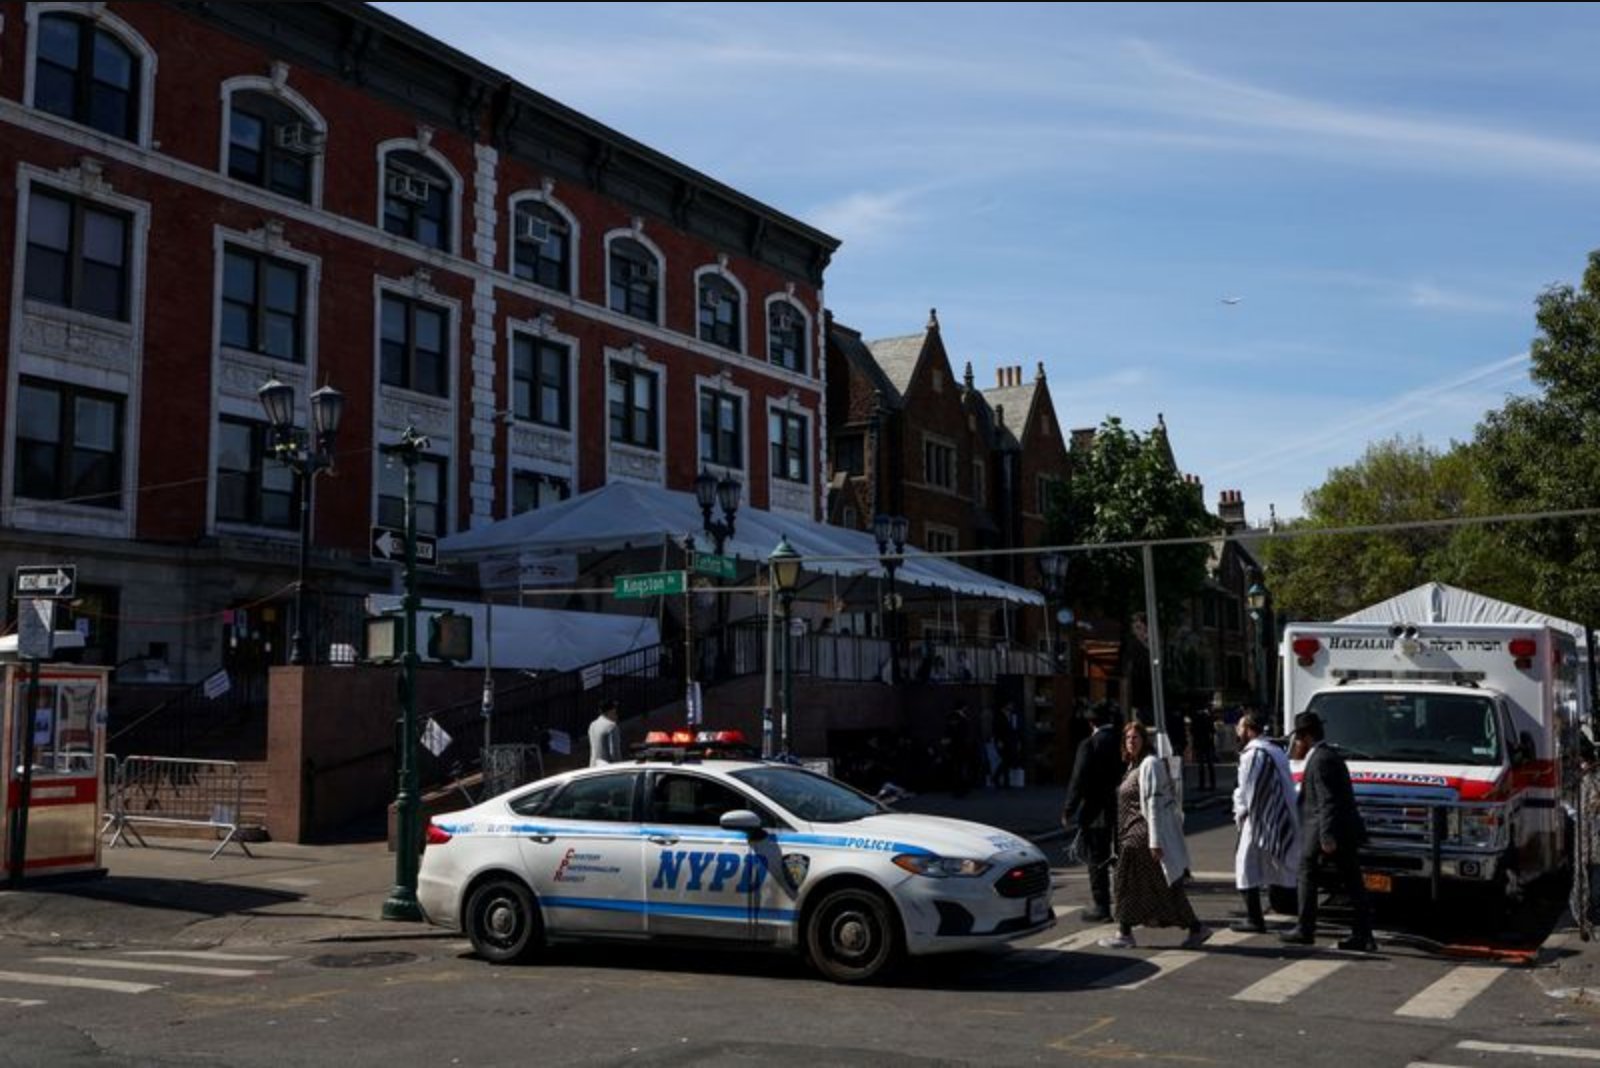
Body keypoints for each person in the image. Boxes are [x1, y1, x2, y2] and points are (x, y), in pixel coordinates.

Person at [1100, 722, 1207, 949]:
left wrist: (1155, 842)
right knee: (1158, 886)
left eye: (1135, 737)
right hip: (1130, 835)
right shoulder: (1133, 765)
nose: (1131, 741)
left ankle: (1124, 933)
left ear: (1144, 740)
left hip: (1139, 837)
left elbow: (1154, 804)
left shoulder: (1150, 764)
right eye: (1127, 738)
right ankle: (1196, 927)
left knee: (1126, 883)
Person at [1281, 711, 1376, 952]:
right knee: (1352, 880)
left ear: (1307, 737)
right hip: (1340, 828)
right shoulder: (1327, 755)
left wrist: (1326, 836)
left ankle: (1305, 929)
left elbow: (1327, 800)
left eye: (1298, 739)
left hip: (1328, 829)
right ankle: (1363, 934)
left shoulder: (1321, 759)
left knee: (1307, 873)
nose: (1296, 744)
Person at [1230, 712, 1299, 933]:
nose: (1237, 732)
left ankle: (1255, 919)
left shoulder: (1254, 754)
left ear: (1249, 730)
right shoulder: (1274, 750)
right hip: (1277, 815)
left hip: (1259, 817)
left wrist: (1240, 813)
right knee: (1277, 864)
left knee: (1245, 865)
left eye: (1240, 727)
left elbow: (1250, 791)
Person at [1061, 703, 1123, 922]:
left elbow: (1078, 779)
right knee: (1122, 858)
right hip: (1123, 808)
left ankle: (1102, 906)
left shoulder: (1089, 744)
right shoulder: (1123, 740)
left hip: (1097, 811)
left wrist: (1069, 809)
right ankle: (1128, 904)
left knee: (1097, 859)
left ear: (1090, 723)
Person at [588, 699, 621, 767]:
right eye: (615, 710)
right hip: (608, 768)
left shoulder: (592, 725)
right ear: (610, 711)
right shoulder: (611, 726)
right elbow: (615, 752)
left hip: (593, 767)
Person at [1191, 706, 1217, 793]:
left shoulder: (1195, 718)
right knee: (1210, 765)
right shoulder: (1208, 718)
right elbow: (1213, 731)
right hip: (1208, 744)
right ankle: (1212, 784)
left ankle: (1202, 784)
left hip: (1199, 744)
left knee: (1201, 765)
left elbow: (1192, 731)